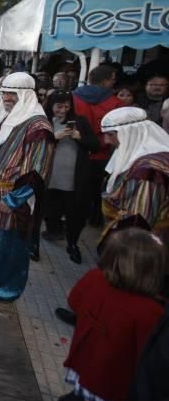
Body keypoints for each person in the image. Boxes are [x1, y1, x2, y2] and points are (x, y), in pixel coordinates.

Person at [0, 72, 56, 302]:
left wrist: (14, 199)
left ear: (25, 95)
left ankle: (4, 288)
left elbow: (37, 171)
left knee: (9, 246)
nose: (6, 98)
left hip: (12, 197)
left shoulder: (38, 127)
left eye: (12, 93)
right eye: (5, 92)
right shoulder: (4, 116)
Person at [58, 227, 166, 401]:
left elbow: (74, 300)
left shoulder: (94, 278)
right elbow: (149, 357)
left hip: (83, 369)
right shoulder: (153, 311)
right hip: (114, 388)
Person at [41, 92, 100, 264]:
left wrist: (79, 137)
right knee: (50, 208)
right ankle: (52, 231)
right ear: (51, 106)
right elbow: (35, 145)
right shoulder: (44, 121)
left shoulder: (80, 122)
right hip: (50, 177)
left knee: (75, 213)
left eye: (66, 106)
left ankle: (72, 243)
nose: (63, 110)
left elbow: (95, 145)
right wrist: (54, 138)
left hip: (74, 179)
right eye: (59, 106)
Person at [98, 106, 169, 242]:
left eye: (111, 134)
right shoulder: (146, 155)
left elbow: (139, 221)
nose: (106, 141)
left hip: (143, 247)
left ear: (130, 133)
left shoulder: (149, 171)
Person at [73, 65, 121, 225]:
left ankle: (79, 216)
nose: (114, 83)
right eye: (113, 80)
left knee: (79, 188)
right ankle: (96, 217)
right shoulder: (116, 103)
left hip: (78, 150)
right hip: (104, 153)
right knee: (99, 189)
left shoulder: (74, 97)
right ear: (106, 81)